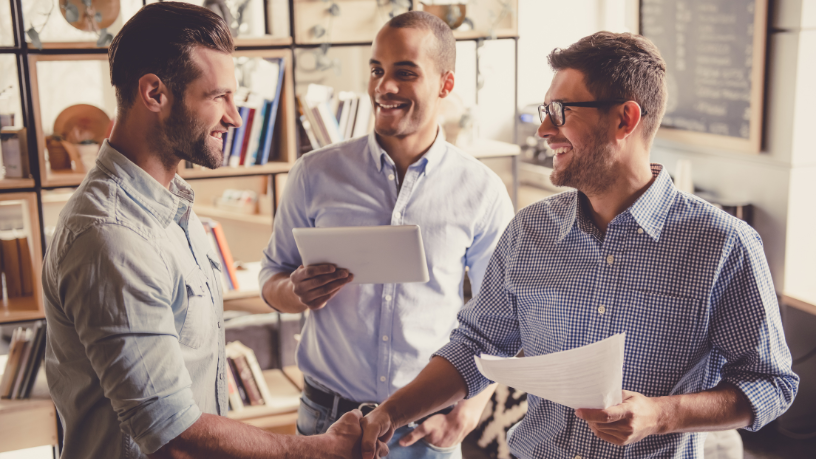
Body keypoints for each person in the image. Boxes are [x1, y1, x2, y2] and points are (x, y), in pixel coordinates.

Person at [359, 31, 800, 459]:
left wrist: (660, 415)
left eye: (561, 110)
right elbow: (476, 344)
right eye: (544, 110)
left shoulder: (724, 245)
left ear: (625, 119)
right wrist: (389, 415)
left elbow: (770, 383)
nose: (544, 130)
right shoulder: (528, 232)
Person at [41, 3, 388, 458]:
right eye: (218, 97)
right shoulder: (113, 237)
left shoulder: (172, 207)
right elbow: (172, 433)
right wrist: (315, 451)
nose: (235, 117)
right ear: (154, 93)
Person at [259, 11, 515, 459]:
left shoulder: (482, 191)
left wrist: (470, 408)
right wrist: (294, 291)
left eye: (405, 73)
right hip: (326, 423)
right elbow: (271, 277)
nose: (384, 87)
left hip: (426, 430)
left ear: (446, 84)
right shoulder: (314, 174)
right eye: (377, 70)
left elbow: (504, 315)